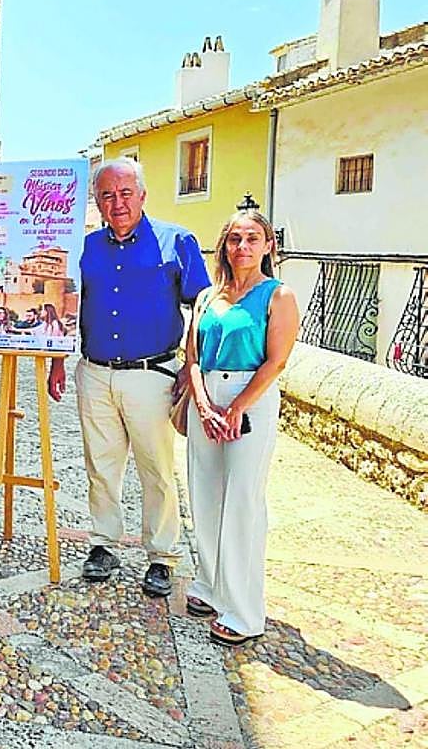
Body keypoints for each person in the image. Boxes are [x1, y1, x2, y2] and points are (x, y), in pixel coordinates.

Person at [48, 157, 211, 597]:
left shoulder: (176, 241)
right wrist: (58, 360)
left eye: (124, 193)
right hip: (95, 372)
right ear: (97, 201)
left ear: (141, 195)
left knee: (156, 469)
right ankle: (103, 544)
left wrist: (191, 366)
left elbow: (202, 308)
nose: (116, 202)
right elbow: (68, 306)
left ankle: (162, 555)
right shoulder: (86, 248)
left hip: (152, 373)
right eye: (107, 195)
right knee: (101, 466)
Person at [183, 210, 297, 646]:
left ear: (268, 246)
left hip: (250, 397)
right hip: (206, 398)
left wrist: (236, 408)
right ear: (224, 246)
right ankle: (211, 585)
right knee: (205, 496)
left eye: (252, 239)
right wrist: (204, 404)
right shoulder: (208, 297)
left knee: (243, 502)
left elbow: (276, 361)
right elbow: (192, 358)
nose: (242, 247)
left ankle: (246, 611)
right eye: (234, 239)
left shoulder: (278, 295)